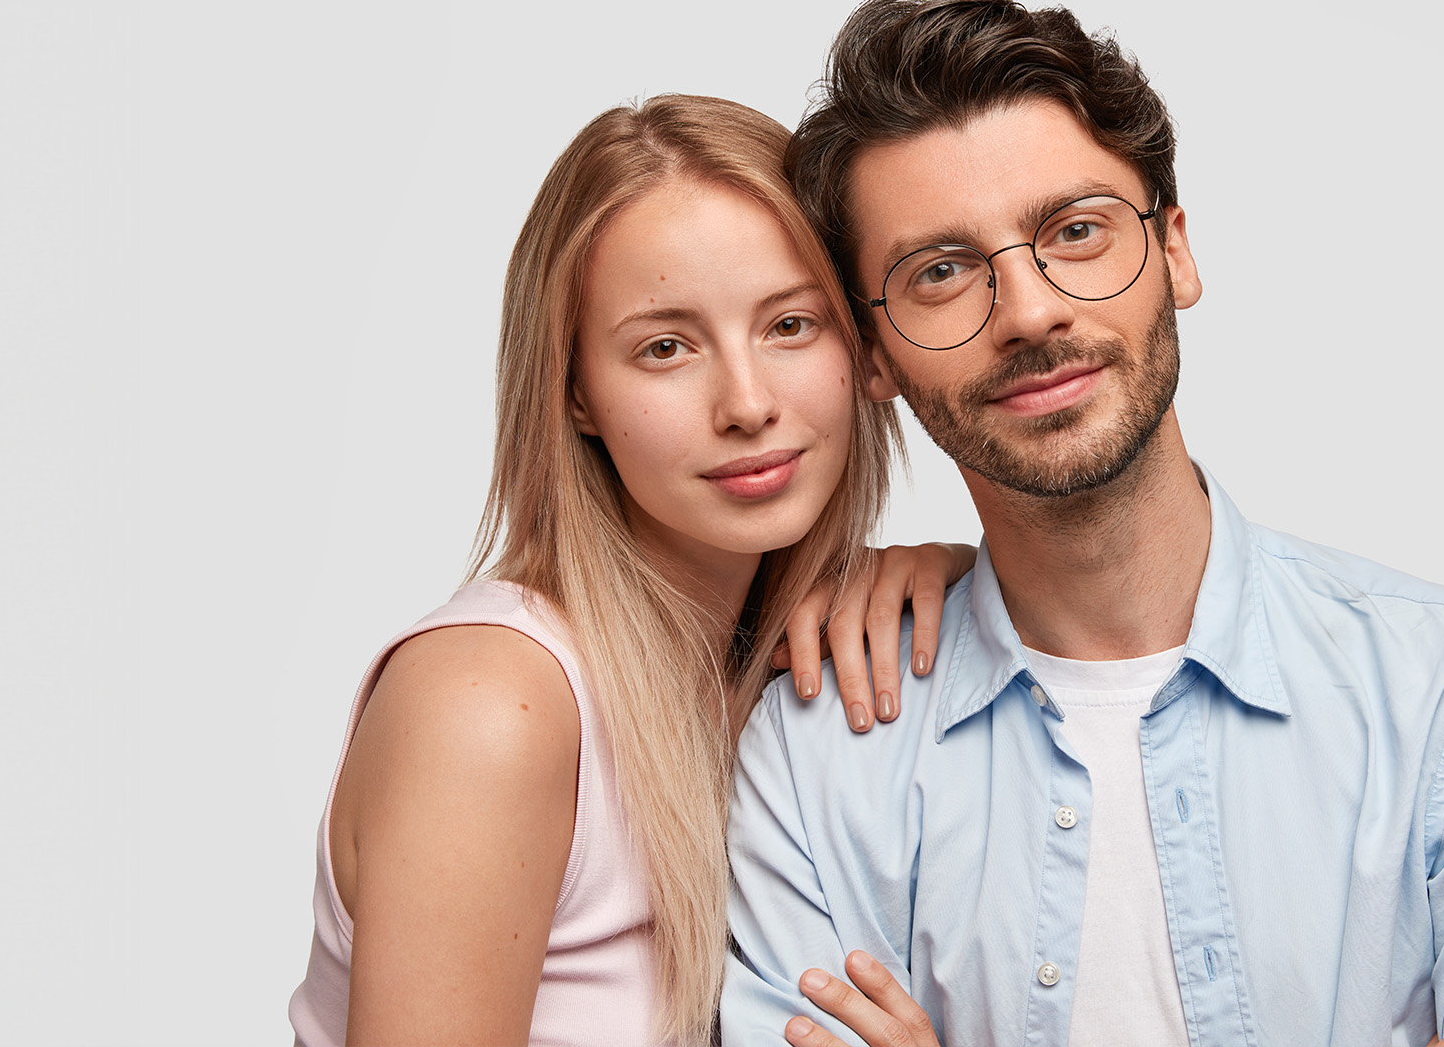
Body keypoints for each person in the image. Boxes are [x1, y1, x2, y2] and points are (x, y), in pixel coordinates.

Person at [722, 0, 1444, 1047]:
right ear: (873, 353)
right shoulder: (813, 753)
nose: (1027, 312)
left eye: (1074, 231)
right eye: (938, 271)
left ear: (1175, 251)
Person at [285, 95, 976, 1047]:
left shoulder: (780, 659)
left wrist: (968, 582)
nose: (746, 402)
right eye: (665, 348)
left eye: (790, 325)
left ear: (861, 347)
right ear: (575, 391)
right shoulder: (492, 706)